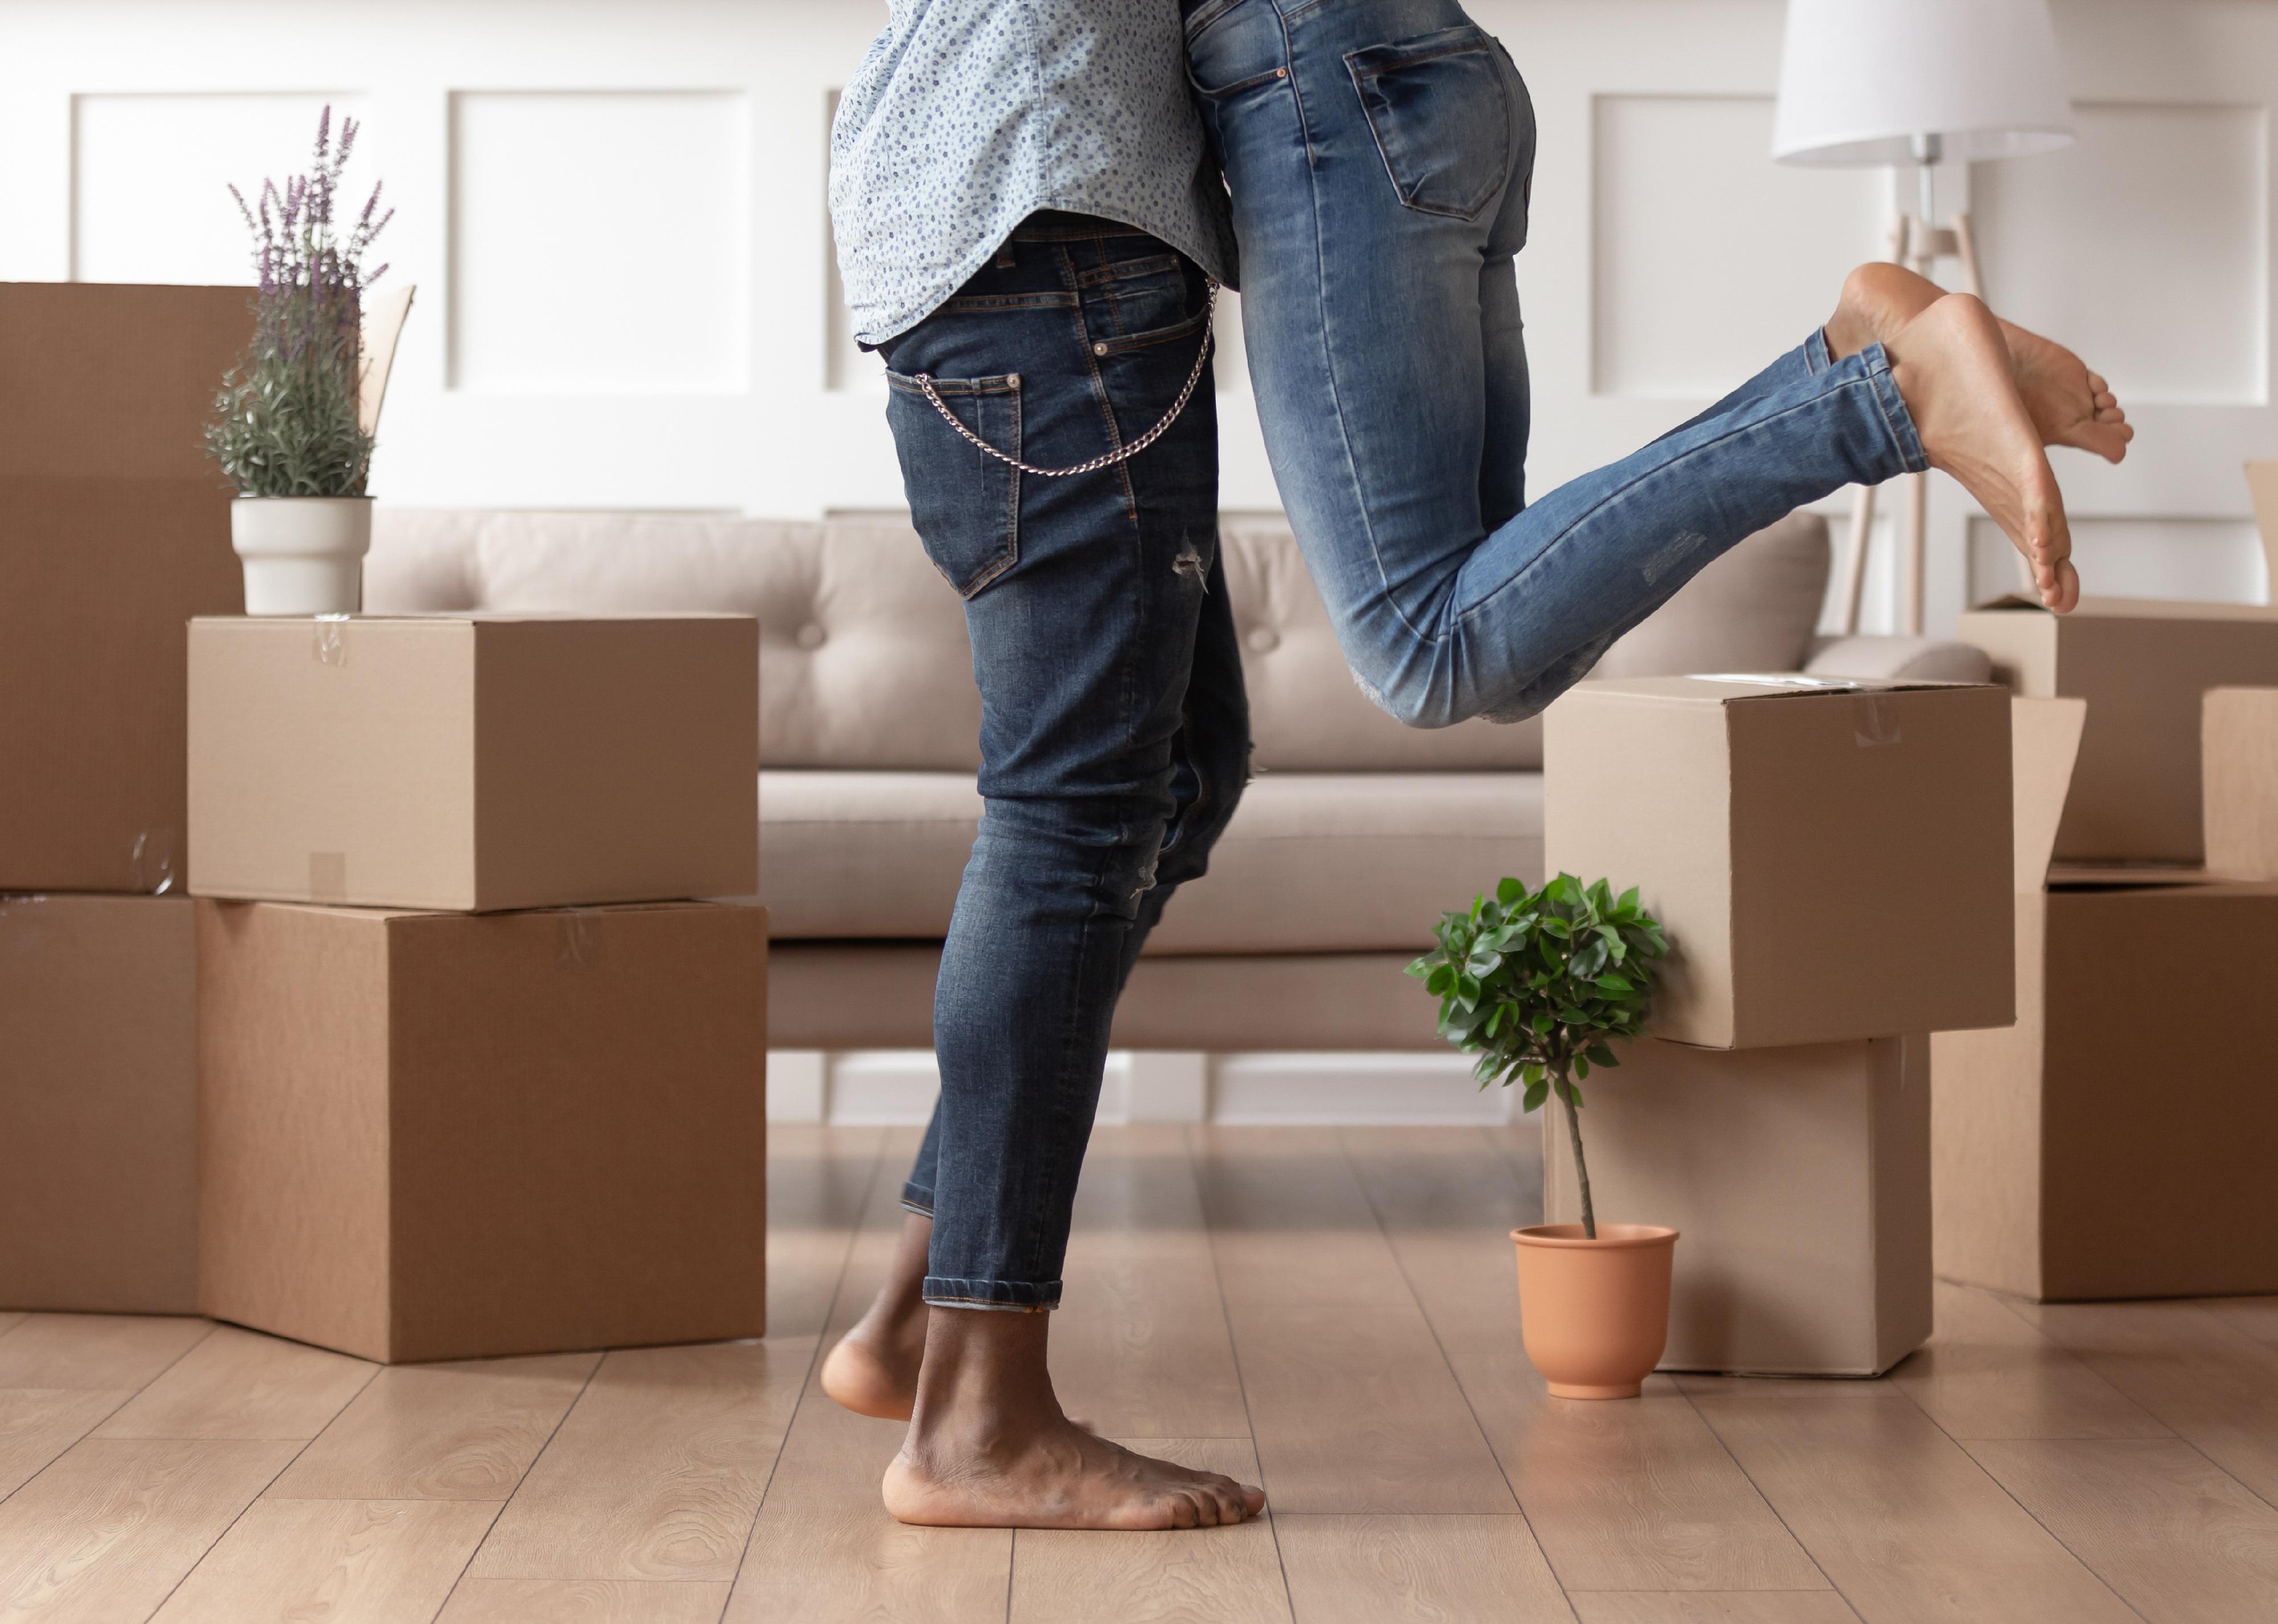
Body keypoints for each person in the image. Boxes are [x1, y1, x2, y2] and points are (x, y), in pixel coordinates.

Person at [822, 0, 2130, 1536]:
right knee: (1165, 770)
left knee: (1133, 782)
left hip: (1049, 195)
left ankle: (968, 1395)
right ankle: (936, 1320)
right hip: (1180, 153)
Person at [1179, 0, 2129, 730]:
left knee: (1422, 652)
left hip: (1311, 92)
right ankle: (1853, 357)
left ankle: (1890, 397)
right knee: (1509, 658)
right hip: (1420, 70)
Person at [821, 2, 1268, 1531]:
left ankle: (911, 1321)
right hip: (1046, 231)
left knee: (1178, 772)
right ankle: (975, 1427)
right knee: (1072, 821)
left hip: (1022, 228)